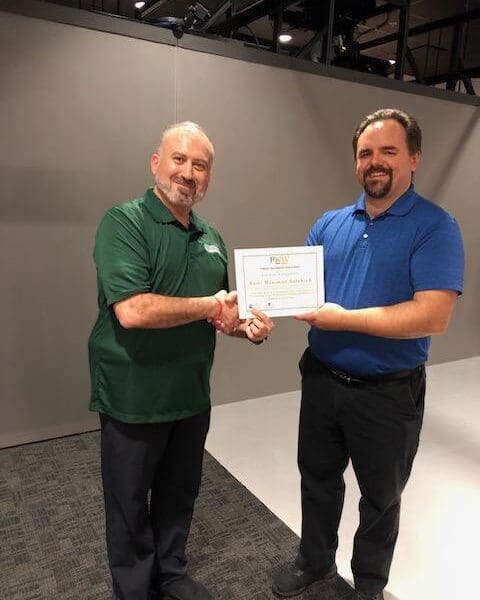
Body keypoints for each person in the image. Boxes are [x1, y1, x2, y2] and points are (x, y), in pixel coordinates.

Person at [272, 108, 464, 600]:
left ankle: (369, 586)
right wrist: (256, 311)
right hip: (321, 380)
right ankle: (314, 562)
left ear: (415, 158)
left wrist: (343, 319)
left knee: (381, 500)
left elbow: (432, 315)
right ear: (356, 162)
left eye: (388, 151)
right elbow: (295, 292)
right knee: (316, 479)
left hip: (388, 395)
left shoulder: (435, 227)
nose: (374, 162)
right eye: (365, 153)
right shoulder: (329, 224)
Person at [88, 121, 273, 600]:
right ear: (156, 163)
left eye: (200, 165)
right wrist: (213, 305)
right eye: (179, 159)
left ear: (209, 176)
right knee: (128, 505)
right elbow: (132, 310)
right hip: (134, 397)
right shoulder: (123, 222)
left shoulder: (211, 236)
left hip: (190, 395)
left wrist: (245, 327)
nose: (188, 172)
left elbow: (221, 313)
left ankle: (171, 574)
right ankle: (133, 588)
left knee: (178, 494)